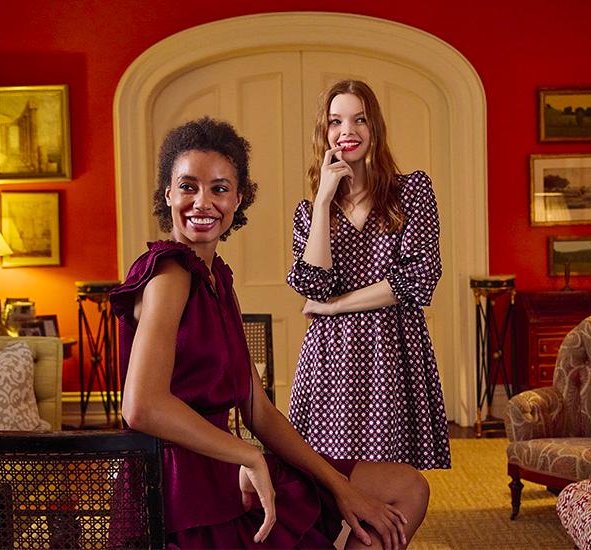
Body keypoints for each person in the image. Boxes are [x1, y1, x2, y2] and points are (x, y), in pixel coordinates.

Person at [109, 117, 429, 549]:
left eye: (219, 189)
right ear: (167, 194)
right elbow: (142, 407)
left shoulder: (216, 278)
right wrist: (248, 455)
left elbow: (256, 408)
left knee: (405, 486)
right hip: (178, 492)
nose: (202, 202)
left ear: (238, 199)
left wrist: (339, 484)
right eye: (188, 186)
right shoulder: (169, 273)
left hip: (223, 466)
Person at [287, 80, 451, 470]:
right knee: (332, 473)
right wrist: (324, 200)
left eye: (359, 119)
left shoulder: (412, 191)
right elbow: (313, 285)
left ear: (374, 127)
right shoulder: (310, 212)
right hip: (331, 357)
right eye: (336, 122)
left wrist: (333, 307)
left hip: (391, 349)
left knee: (388, 474)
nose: (348, 131)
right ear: (323, 133)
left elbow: (418, 278)